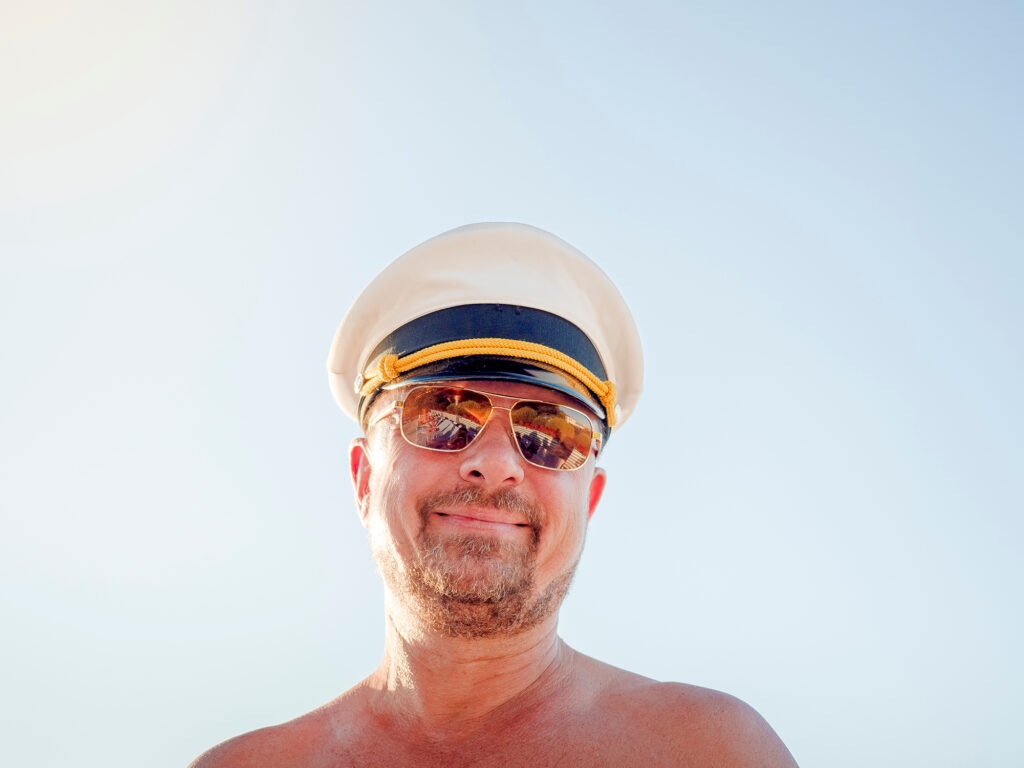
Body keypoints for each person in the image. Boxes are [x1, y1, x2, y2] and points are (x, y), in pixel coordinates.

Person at [191, 223, 798, 767]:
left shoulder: (707, 754)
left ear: (588, 502)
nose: (495, 463)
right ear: (364, 478)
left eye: (550, 432)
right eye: (442, 414)